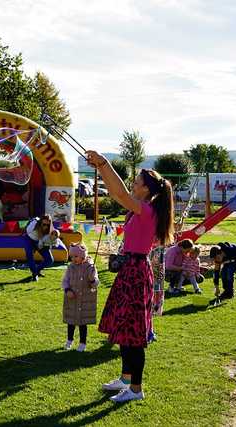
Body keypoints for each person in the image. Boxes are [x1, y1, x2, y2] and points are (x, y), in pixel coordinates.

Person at [87, 150, 174, 403]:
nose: (133, 184)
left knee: (134, 335)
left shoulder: (146, 211)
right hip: (130, 270)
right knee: (124, 328)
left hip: (136, 272)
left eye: (137, 181)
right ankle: (126, 379)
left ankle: (136, 389)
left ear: (146, 190)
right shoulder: (141, 209)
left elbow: (120, 193)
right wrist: (100, 167)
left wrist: (103, 162)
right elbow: (118, 193)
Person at [62, 243, 99, 352]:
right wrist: (67, 290)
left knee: (83, 323)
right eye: (71, 257)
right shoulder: (70, 267)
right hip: (72, 299)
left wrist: (93, 279)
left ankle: (82, 343)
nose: (73, 259)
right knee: (71, 321)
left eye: (76, 256)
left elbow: (95, 284)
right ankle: (69, 340)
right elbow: (65, 281)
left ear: (83, 256)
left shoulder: (90, 267)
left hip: (85, 300)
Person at [24, 214, 55, 281]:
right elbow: (27, 231)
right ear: (40, 222)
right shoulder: (34, 223)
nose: (46, 227)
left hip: (41, 241)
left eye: (48, 225)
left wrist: (54, 237)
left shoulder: (50, 228)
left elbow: (54, 235)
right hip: (29, 239)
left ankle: (37, 271)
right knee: (30, 255)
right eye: (44, 224)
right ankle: (34, 275)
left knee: (50, 260)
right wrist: (35, 246)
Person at [148, 245, 165, 343]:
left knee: (152, 303)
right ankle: (149, 331)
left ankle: (150, 331)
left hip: (156, 275)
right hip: (150, 268)